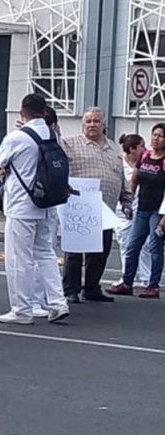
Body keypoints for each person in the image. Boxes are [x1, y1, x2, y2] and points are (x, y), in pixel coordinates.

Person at [0, 94, 70, 325]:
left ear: (21, 112)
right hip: (48, 204)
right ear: (44, 111)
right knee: (45, 254)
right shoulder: (51, 134)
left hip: (22, 205)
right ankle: (58, 303)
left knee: (19, 258)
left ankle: (21, 310)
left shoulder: (16, 137)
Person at [60, 108, 132, 303]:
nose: (92, 124)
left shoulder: (113, 148)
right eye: (88, 121)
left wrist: (126, 200)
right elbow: (54, 153)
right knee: (75, 252)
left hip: (105, 208)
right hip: (80, 206)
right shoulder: (70, 143)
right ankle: (70, 290)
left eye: (96, 121)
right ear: (83, 124)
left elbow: (121, 176)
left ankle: (91, 288)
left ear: (103, 124)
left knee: (101, 251)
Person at [106, 123, 165, 298]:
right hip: (141, 208)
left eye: (160, 136)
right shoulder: (145, 155)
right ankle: (127, 282)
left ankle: (153, 285)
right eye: (154, 135)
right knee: (133, 245)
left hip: (157, 210)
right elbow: (135, 179)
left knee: (155, 247)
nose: (156, 139)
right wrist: (129, 200)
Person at [111, 134, 151, 286]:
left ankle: (146, 277)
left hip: (142, 207)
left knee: (145, 243)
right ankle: (127, 275)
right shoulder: (119, 163)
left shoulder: (145, 163)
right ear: (132, 149)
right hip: (123, 209)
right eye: (141, 146)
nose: (145, 149)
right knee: (125, 242)